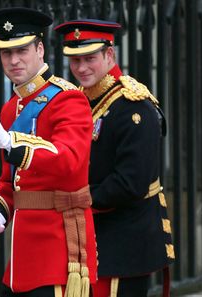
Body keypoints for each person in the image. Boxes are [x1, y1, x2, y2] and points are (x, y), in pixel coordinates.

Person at [0, 8, 97, 297]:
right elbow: (10, 180)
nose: (14, 60)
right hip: (21, 253)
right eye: (6, 52)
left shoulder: (68, 99)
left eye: (22, 50)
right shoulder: (10, 108)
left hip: (59, 245)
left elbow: (68, 160)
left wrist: (11, 141)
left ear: (40, 49)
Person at [54, 19, 175, 297]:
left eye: (90, 58)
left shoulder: (134, 107)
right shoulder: (78, 100)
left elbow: (130, 183)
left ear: (110, 55)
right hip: (87, 235)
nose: (81, 68)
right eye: (75, 60)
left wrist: (75, 199)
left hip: (124, 240)